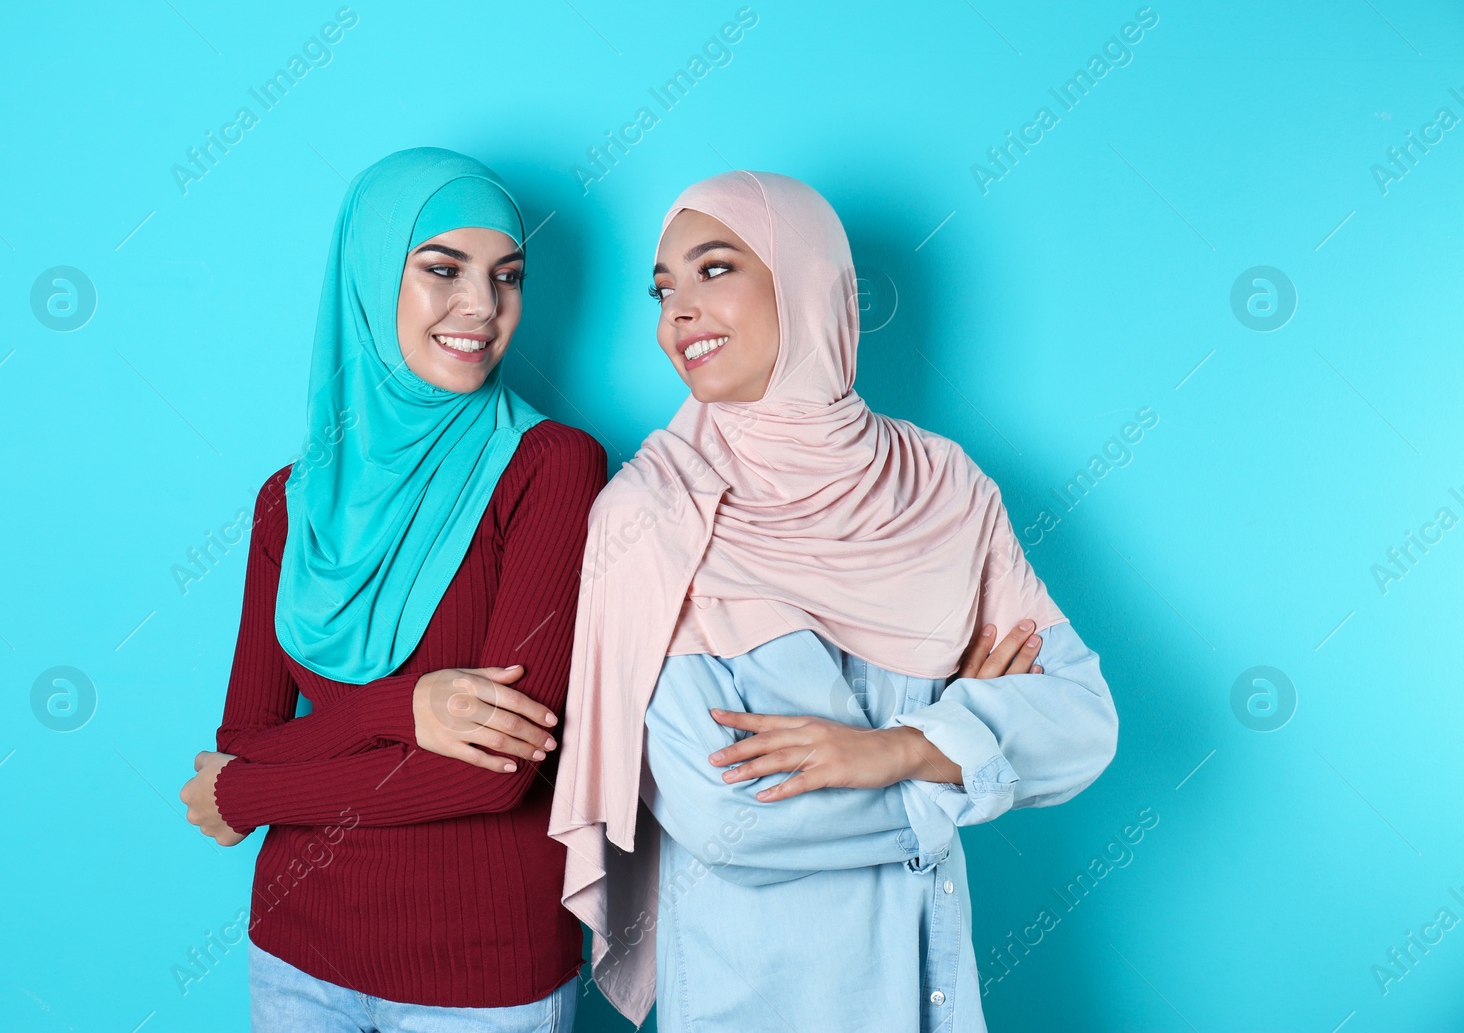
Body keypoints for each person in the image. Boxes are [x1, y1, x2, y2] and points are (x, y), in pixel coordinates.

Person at [548, 170, 1118, 1031]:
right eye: (663, 290)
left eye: (714, 269)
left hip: (933, 994)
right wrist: (965, 750)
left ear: (808, 276)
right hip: (759, 1002)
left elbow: (1081, 721)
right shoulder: (652, 516)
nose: (678, 314)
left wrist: (894, 750)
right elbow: (728, 816)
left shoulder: (944, 487)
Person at [177, 147, 606, 1033]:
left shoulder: (552, 467)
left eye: (507, 277)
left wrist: (247, 797)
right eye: (441, 269)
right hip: (296, 951)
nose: (482, 308)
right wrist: (398, 709)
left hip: (483, 977)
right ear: (370, 278)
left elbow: (501, 774)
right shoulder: (290, 501)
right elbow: (245, 734)